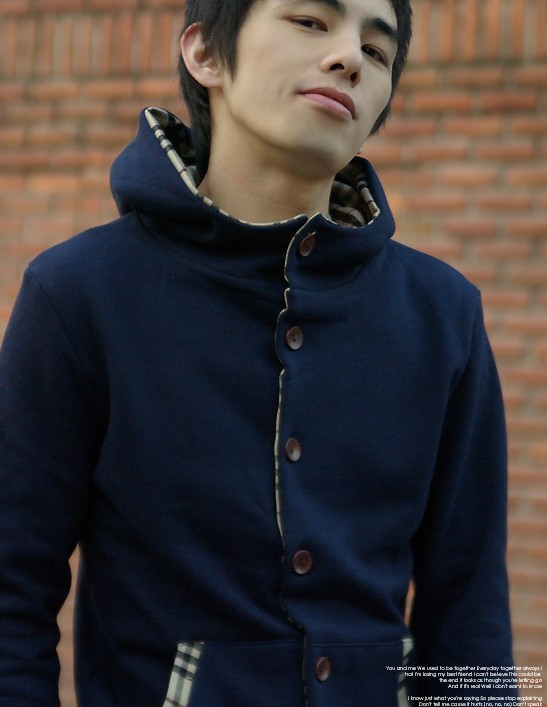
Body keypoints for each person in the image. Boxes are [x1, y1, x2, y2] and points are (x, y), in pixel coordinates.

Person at [0, 0, 516, 705]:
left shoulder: (444, 313)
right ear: (206, 54)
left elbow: (471, 603)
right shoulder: (80, 293)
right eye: (310, 21)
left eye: (377, 51)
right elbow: (12, 590)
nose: (349, 58)